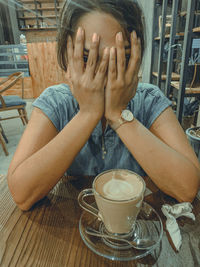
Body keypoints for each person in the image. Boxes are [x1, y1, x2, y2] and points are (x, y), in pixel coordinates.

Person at [7, 0, 200, 211]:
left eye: (122, 57)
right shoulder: (56, 102)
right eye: (88, 57)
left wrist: (118, 115)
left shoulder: (149, 100)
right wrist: (88, 113)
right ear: (66, 54)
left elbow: (187, 188)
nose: (105, 73)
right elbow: (22, 194)